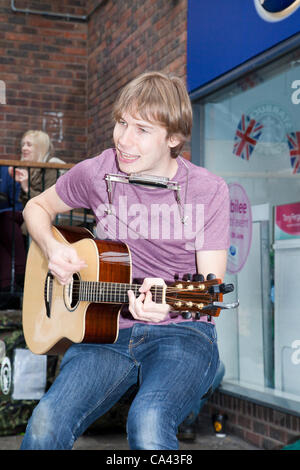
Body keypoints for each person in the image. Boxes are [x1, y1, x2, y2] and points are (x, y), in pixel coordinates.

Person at [20, 71, 230, 450]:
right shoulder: (100, 171)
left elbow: (210, 292)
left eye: (142, 130)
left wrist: (167, 297)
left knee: (148, 422)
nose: (124, 140)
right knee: (45, 424)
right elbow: (36, 207)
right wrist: (53, 250)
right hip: (104, 328)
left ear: (174, 138)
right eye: (121, 124)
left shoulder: (207, 190)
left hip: (183, 330)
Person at [8, 130, 65, 210]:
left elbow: (47, 202)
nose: (24, 148)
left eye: (29, 145)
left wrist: (26, 187)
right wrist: (21, 182)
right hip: (37, 213)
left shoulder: (52, 168)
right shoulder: (31, 168)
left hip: (61, 216)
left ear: (40, 148)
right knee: (6, 216)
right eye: (23, 145)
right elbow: (25, 204)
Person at [0, 165, 25, 309]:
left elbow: (17, 204)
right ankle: (7, 288)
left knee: (3, 219)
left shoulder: (6, 171)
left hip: (10, 214)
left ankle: (20, 273)